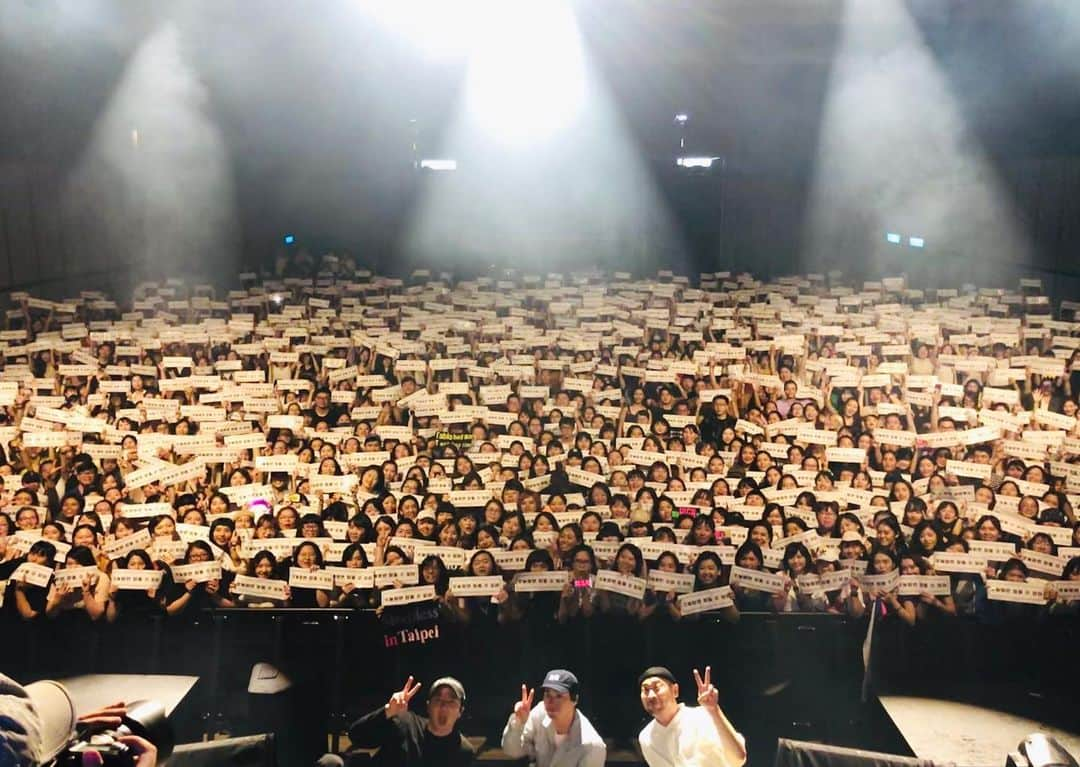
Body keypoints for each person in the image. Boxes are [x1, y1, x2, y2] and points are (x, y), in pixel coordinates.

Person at [322, 676, 475, 767]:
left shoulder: (463, 750)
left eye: (451, 702)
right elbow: (357, 735)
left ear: (460, 711)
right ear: (428, 707)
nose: (443, 706)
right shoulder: (406, 722)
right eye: (438, 700)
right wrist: (388, 710)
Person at [637, 666, 747, 767]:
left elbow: (738, 759)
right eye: (645, 690)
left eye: (657, 688)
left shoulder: (703, 716)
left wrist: (714, 710)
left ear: (675, 690)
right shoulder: (646, 737)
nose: (651, 695)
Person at [501, 669, 605, 767]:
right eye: (547, 695)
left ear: (574, 700)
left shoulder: (592, 746)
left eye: (559, 696)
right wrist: (518, 722)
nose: (551, 702)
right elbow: (512, 751)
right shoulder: (540, 713)